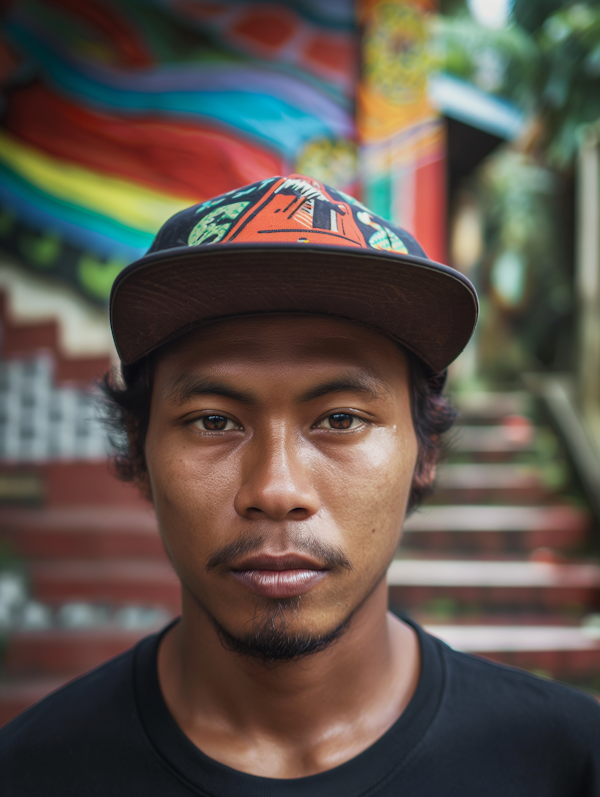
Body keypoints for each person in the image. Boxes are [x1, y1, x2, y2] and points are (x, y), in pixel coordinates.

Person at [1, 174, 598, 795]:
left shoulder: (570, 764)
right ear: (141, 450)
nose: (277, 488)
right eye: (214, 421)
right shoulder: (30, 773)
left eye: (341, 419)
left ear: (424, 452)